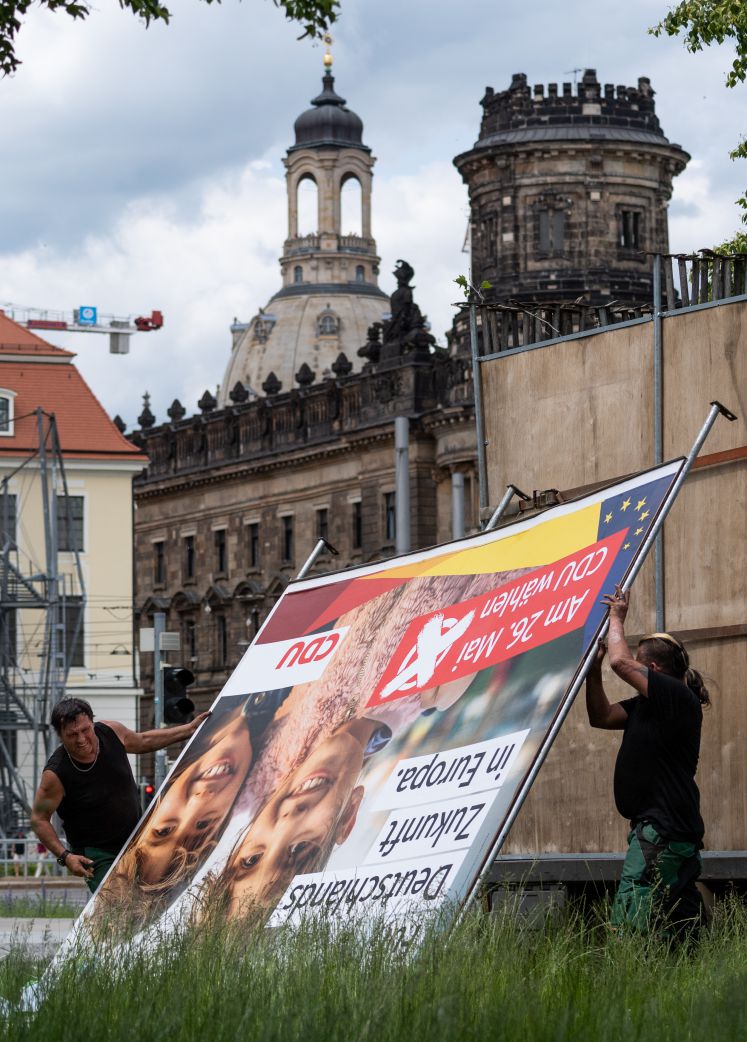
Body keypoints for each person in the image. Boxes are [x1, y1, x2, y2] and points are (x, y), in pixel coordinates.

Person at [586, 585, 709, 938]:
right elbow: (602, 716)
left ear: (652, 668)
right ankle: (691, 975)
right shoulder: (647, 706)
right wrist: (593, 672)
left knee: (632, 916)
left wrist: (616, 619)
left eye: (640, 664)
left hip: (662, 829)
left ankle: (630, 972)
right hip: (669, 829)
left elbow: (620, 662)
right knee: (679, 920)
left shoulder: (677, 697)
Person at [30, 697, 209, 894]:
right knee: (118, 903)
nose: (81, 739)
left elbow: (143, 741)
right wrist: (66, 856)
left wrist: (189, 729)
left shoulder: (111, 732)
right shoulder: (55, 774)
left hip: (136, 839)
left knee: (161, 894)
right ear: (60, 735)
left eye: (85, 730)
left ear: (92, 722)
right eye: (72, 735)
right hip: (96, 854)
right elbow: (39, 819)